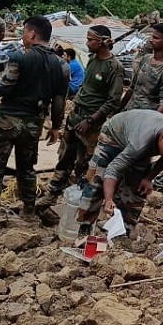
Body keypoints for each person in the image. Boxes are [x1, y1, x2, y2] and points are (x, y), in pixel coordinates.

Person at [0, 16, 69, 234]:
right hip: (33, 124)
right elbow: (59, 101)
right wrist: (56, 127)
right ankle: (28, 212)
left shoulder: (19, 56)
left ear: (31, 34)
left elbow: (4, 87)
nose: (23, 37)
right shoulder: (62, 65)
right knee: (27, 169)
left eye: (23, 33)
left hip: (7, 120)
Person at [37, 25, 126, 209]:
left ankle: (79, 203)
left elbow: (113, 101)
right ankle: (52, 194)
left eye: (90, 39)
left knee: (85, 165)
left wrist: (91, 120)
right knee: (64, 158)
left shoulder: (114, 67)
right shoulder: (93, 59)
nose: (87, 43)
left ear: (102, 42)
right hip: (75, 117)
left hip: (90, 125)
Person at [77, 109, 163, 233]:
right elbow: (113, 169)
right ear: (162, 137)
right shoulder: (140, 144)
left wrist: (148, 178)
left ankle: (122, 232)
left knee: (138, 189)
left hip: (141, 140)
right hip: (114, 135)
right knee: (96, 181)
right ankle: (83, 227)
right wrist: (108, 199)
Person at [125, 23, 163, 113]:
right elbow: (132, 88)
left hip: (145, 116)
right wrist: (117, 110)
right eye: (151, 36)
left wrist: (151, 122)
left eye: (155, 38)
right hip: (130, 111)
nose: (150, 40)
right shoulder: (146, 59)